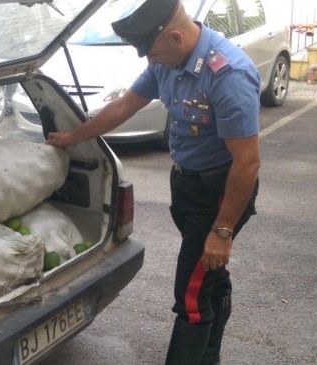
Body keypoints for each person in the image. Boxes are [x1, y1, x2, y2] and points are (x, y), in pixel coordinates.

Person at [46, 0, 260, 364]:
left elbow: (247, 162)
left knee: (191, 298)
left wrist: (222, 231)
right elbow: (122, 107)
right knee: (208, 279)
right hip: (188, 187)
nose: (150, 61)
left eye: (153, 52)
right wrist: (74, 137)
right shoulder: (167, 62)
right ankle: (208, 358)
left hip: (220, 194)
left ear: (175, 37)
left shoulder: (227, 74)